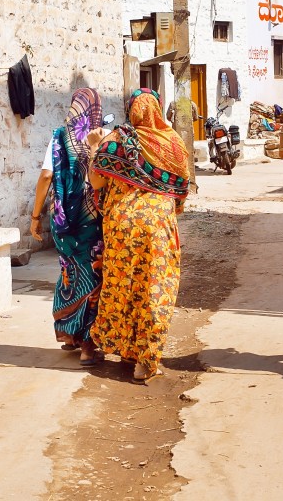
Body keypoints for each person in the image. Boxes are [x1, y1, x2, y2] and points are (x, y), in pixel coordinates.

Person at [87, 89, 190, 385]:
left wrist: (95, 148)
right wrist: (171, 209)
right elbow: (181, 189)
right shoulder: (172, 142)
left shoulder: (117, 139)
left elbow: (95, 180)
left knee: (124, 286)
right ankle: (145, 362)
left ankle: (127, 351)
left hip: (121, 226)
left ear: (131, 110)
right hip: (157, 227)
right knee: (155, 289)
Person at [30, 88, 107, 367]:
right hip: (93, 223)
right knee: (93, 278)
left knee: (69, 273)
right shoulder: (102, 137)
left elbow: (46, 176)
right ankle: (88, 343)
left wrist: (35, 216)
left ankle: (68, 335)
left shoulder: (58, 137)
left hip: (63, 223)